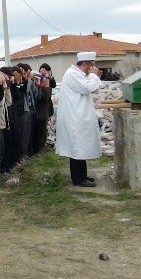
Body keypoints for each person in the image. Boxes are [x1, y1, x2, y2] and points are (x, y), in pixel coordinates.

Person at [55, 52, 103, 188]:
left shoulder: (77, 74)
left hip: (77, 117)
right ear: (84, 64)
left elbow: (89, 85)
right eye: (90, 66)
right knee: (77, 148)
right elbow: (87, 88)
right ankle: (78, 178)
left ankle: (82, 175)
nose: (91, 69)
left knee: (81, 148)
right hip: (74, 118)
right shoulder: (73, 74)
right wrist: (94, 76)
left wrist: (93, 76)